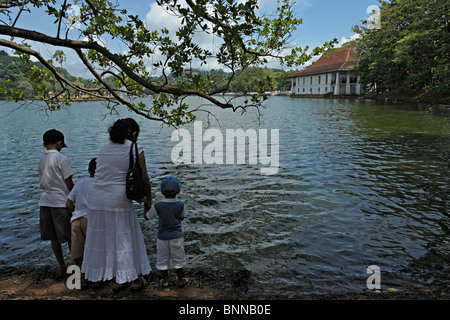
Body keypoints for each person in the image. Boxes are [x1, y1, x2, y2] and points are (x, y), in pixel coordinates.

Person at [81, 118, 152, 294]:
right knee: (124, 239)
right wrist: (148, 202)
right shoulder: (136, 148)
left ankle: (117, 280)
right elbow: (144, 179)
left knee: (107, 239)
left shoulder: (104, 149)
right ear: (134, 133)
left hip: (96, 199)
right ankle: (134, 279)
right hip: (118, 199)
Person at [38, 129, 74, 279]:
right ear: (59, 143)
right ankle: (76, 268)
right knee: (71, 237)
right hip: (61, 202)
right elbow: (69, 183)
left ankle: (61, 266)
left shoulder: (41, 159)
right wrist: (76, 197)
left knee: (54, 238)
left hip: (45, 202)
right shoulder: (62, 158)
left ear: (44, 144)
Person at [145, 175, 186, 288]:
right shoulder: (180, 204)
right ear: (178, 191)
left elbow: (147, 217)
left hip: (162, 238)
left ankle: (166, 281)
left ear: (162, 191)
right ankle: (180, 281)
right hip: (176, 237)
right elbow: (182, 217)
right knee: (178, 260)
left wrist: (146, 202)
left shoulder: (158, 206)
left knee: (162, 260)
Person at [66, 158, 96, 272]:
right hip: (92, 220)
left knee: (77, 253)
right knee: (94, 250)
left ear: (89, 170)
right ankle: (94, 275)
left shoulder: (79, 183)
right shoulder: (101, 185)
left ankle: (81, 274)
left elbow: (68, 204)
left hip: (76, 220)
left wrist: (77, 209)